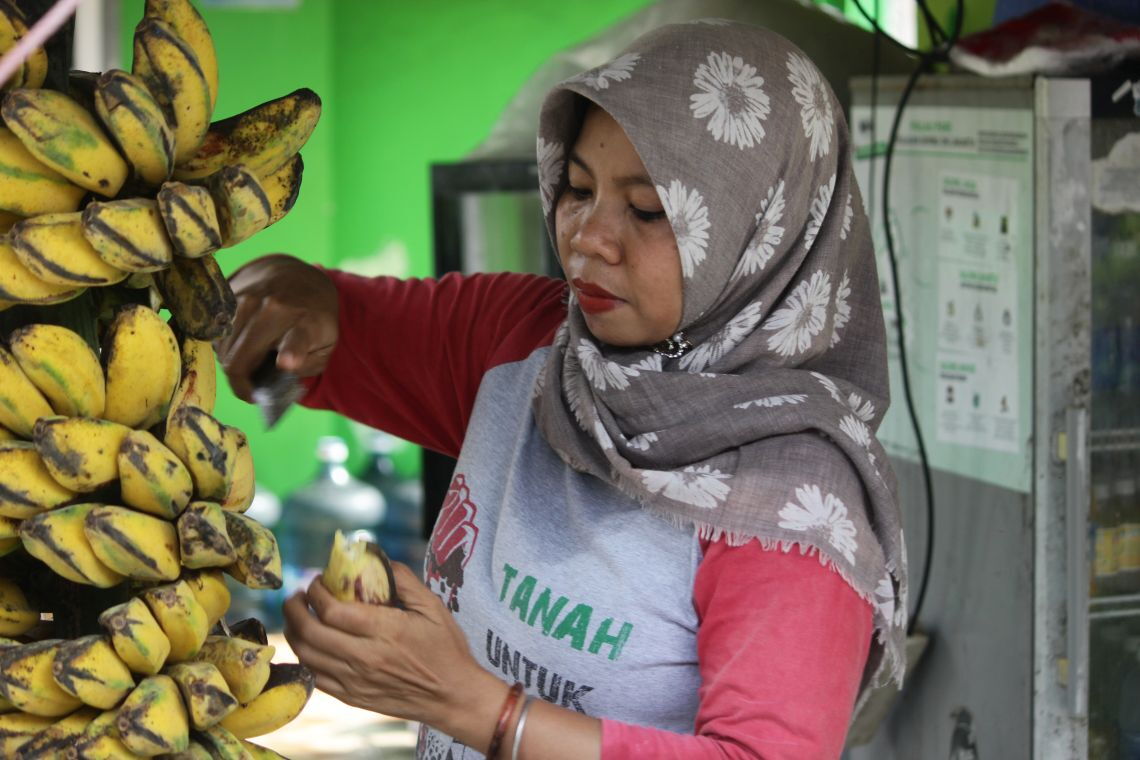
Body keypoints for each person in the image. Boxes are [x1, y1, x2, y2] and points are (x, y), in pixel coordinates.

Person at [218, 19, 907, 760]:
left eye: (648, 210)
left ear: (757, 234)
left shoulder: (789, 503)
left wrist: (472, 706)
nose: (587, 237)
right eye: (578, 189)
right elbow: (341, 323)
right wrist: (288, 295)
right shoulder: (529, 344)